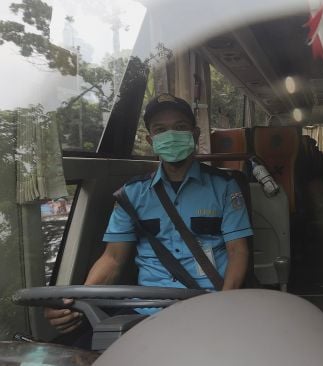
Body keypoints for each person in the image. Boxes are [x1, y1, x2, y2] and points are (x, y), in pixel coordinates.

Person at [44, 93, 252, 347]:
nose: (171, 135)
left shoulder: (225, 187)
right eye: (161, 130)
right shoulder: (131, 195)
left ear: (195, 135)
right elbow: (113, 259)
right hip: (145, 310)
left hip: (208, 305)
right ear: (150, 140)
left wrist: (224, 307)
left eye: (180, 127)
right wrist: (78, 301)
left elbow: (237, 251)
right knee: (81, 352)